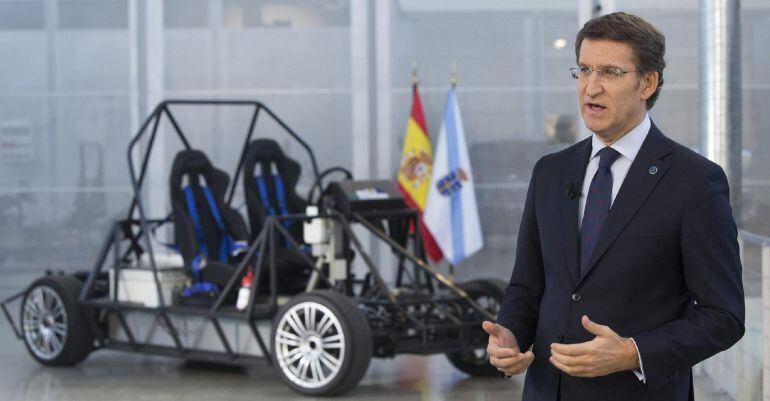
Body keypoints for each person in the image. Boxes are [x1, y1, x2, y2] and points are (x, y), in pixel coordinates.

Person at [483, 12, 745, 401]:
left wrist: (632, 353)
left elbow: (723, 316)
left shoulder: (694, 181)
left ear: (648, 83)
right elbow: (528, 284)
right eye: (584, 70)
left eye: (610, 72)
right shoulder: (551, 172)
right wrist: (510, 332)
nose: (591, 87)